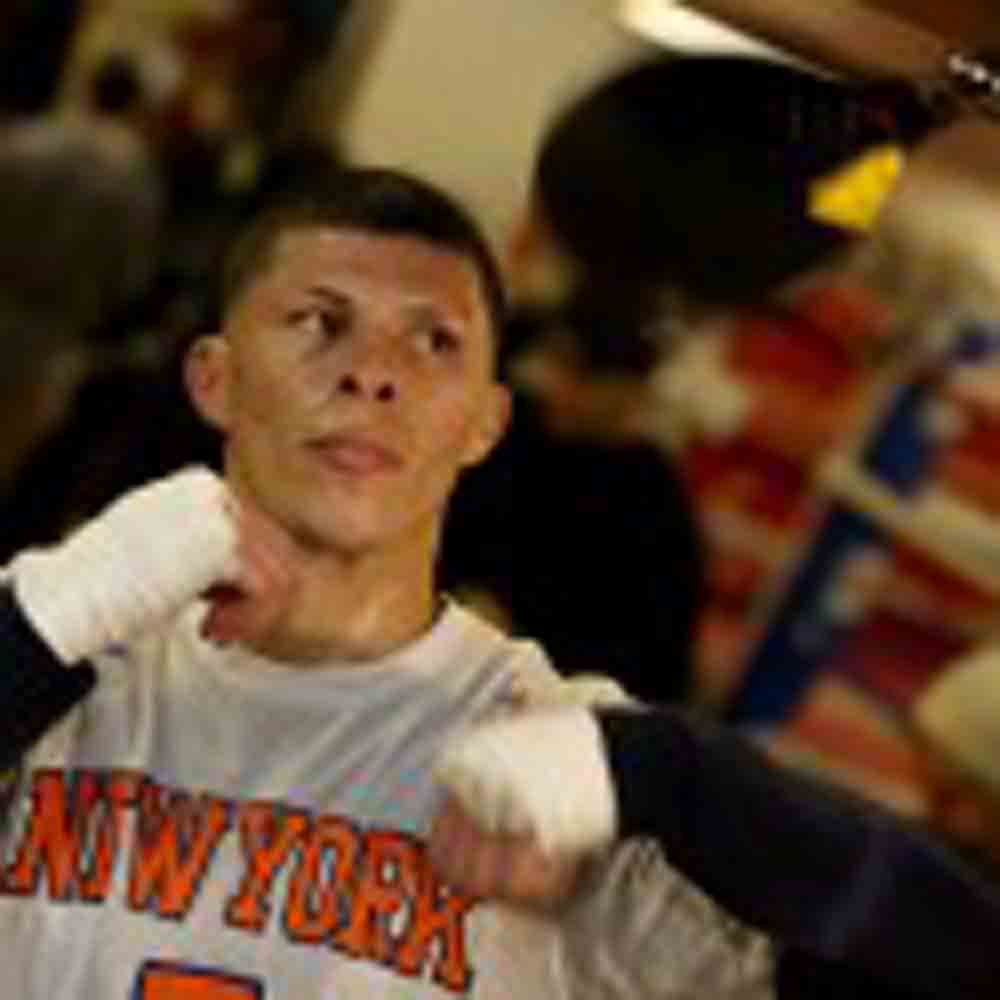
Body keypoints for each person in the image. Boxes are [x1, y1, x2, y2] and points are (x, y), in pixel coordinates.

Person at [0, 167, 775, 999]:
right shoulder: (60, 641)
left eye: (434, 341)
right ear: (214, 378)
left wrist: (671, 773)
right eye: (319, 322)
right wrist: (38, 624)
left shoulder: (555, 749)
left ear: (485, 423)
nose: (372, 374)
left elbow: (871, 960)